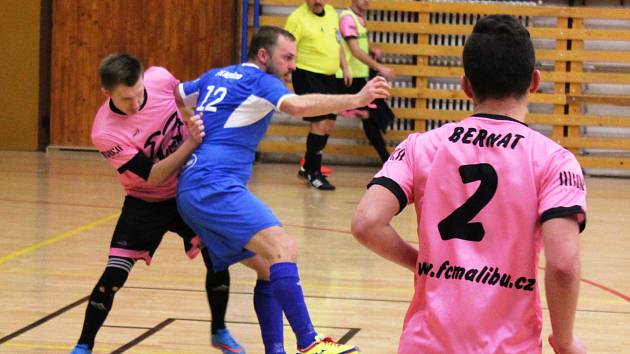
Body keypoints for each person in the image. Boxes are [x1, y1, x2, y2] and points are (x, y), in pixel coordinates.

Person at [351, 15, 587, 354]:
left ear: (466, 85)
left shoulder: (421, 145)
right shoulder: (553, 160)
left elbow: (366, 223)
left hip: (425, 343)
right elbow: (562, 264)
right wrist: (563, 341)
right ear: (534, 82)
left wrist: (419, 263)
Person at [175, 26, 389, 353]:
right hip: (213, 184)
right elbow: (299, 107)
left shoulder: (216, 75)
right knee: (283, 249)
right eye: (286, 58)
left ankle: (276, 350)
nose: (291, 66)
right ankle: (310, 343)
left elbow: (177, 94)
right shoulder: (262, 82)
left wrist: (192, 124)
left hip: (192, 186)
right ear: (264, 56)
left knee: (267, 268)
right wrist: (357, 99)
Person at [70, 53, 244, 354]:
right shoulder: (105, 131)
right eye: (126, 99)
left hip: (188, 191)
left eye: (139, 94)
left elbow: (187, 104)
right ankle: (83, 345)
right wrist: (192, 142)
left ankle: (220, 330)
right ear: (106, 93)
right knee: (114, 276)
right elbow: (153, 175)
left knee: (217, 256)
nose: (136, 104)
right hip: (146, 200)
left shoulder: (161, 78)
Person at [285, 0, 350, 191]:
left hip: (329, 76)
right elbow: (287, 48)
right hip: (307, 74)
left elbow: (338, 44)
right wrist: (286, 73)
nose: (317, 1)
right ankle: (314, 172)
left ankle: (306, 167)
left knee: (329, 122)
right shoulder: (297, 18)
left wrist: (345, 68)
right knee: (320, 123)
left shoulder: (331, 13)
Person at [336, 0, 396, 163]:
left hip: (360, 75)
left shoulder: (359, 18)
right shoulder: (347, 18)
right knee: (376, 113)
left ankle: (386, 159)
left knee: (373, 116)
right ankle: (387, 160)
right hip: (350, 77)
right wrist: (380, 67)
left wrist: (370, 51)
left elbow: (355, 45)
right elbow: (354, 51)